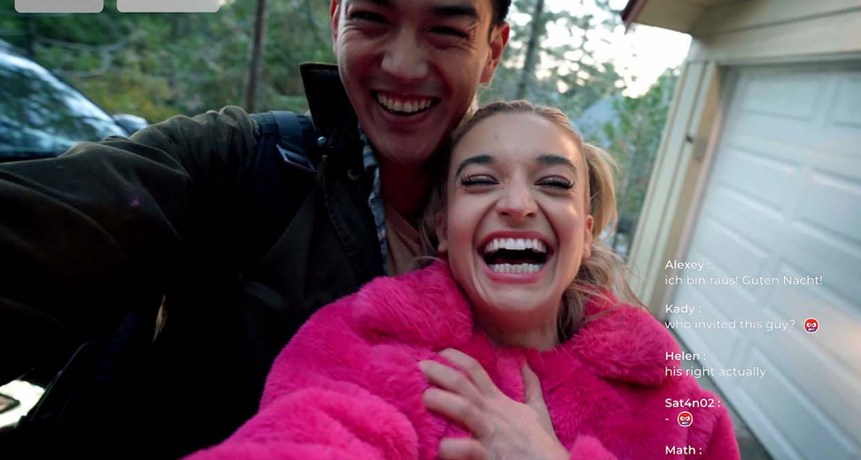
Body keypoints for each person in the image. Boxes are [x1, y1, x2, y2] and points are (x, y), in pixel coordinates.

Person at [0, 0, 510, 457]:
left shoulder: (527, 240)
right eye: (373, 19)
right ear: (337, 20)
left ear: (492, 51)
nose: (402, 65)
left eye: (446, 31)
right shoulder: (241, 166)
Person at [185, 101, 741, 460]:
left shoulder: (678, 409)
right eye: (480, 181)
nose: (518, 204)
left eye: (553, 183)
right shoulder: (360, 350)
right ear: (443, 228)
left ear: (587, 233)